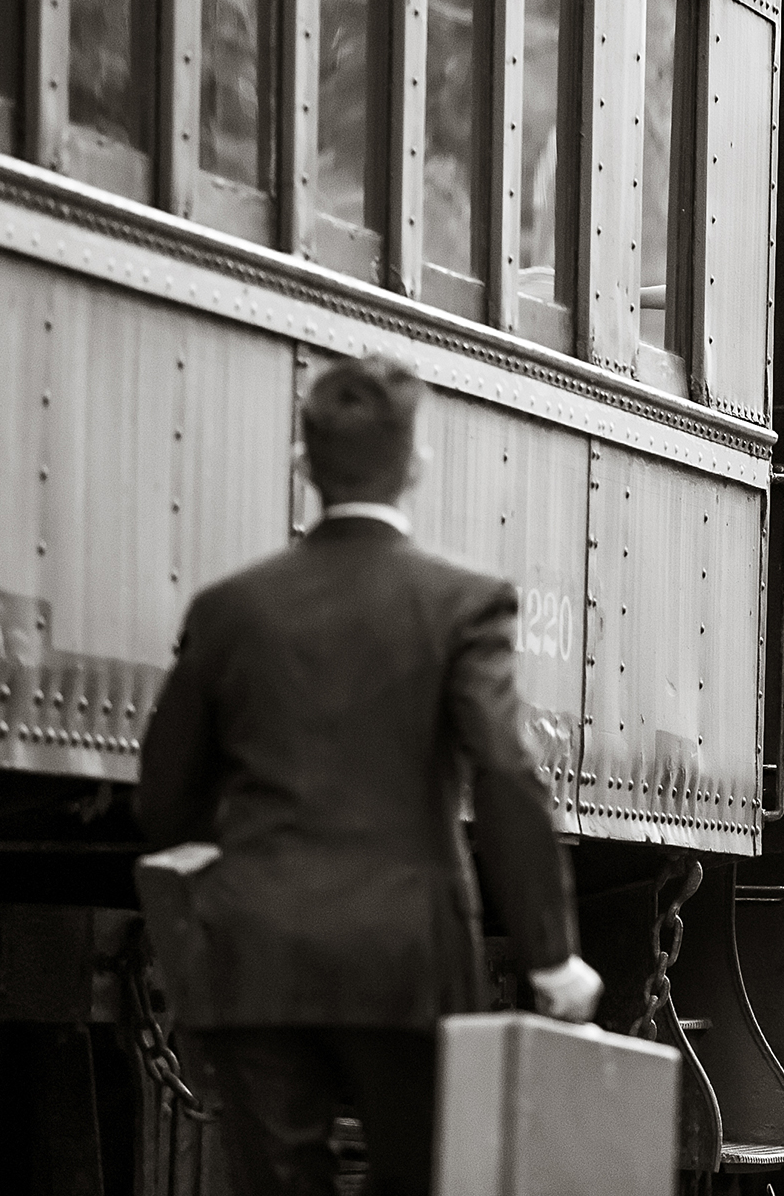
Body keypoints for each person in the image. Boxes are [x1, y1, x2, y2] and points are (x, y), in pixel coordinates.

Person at [137, 355, 602, 1195]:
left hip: (256, 952)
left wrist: (220, 883)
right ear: (415, 463)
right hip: (406, 960)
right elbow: (504, 770)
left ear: (303, 466)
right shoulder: (463, 603)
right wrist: (550, 956)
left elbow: (166, 790)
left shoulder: (230, 608)